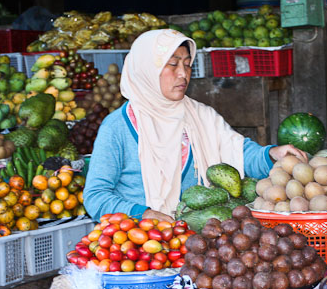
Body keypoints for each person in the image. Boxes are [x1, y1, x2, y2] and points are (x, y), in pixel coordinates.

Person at [84, 29, 307, 222]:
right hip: (140, 248)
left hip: (199, 246)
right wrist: (141, 213)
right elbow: (96, 197)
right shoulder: (117, 128)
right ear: (146, 70)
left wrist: (272, 154)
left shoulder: (201, 116)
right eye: (172, 64)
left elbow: (239, 153)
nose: (183, 74)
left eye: (187, 65)